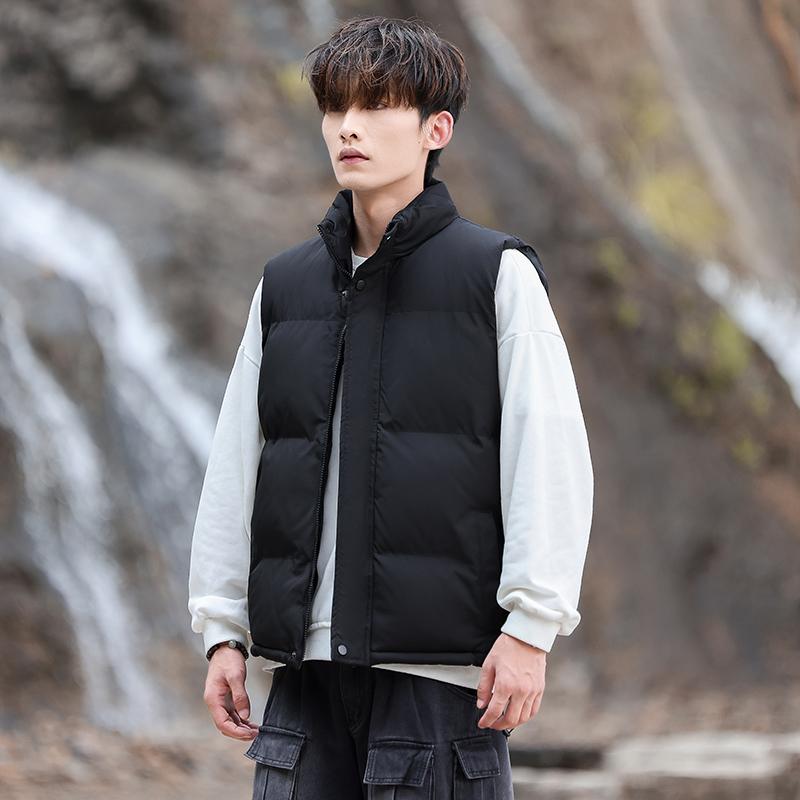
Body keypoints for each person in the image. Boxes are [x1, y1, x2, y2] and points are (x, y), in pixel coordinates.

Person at [188, 14, 593, 799]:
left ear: (436, 129)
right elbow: (238, 463)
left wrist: (530, 629)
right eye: (335, 108)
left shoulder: (494, 275)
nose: (349, 127)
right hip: (303, 680)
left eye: (376, 106)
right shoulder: (286, 286)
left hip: (438, 683)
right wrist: (222, 631)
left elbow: (549, 453)